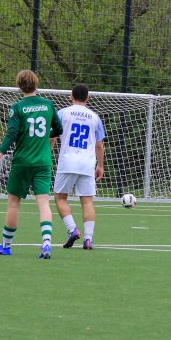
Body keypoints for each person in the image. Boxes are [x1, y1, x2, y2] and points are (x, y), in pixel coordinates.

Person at [0, 70, 63, 259]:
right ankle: (46, 243)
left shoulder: (17, 107)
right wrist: (44, 136)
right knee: (43, 203)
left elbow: (11, 134)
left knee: (14, 203)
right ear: (36, 84)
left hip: (22, 162)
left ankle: (6, 246)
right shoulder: (48, 104)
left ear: (19, 86)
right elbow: (58, 129)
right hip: (43, 162)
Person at [52, 84, 105, 250]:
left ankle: (72, 229)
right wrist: (100, 165)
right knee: (87, 201)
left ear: (71, 97)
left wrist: (47, 154)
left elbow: (52, 138)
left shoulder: (62, 113)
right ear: (88, 98)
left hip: (67, 162)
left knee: (60, 198)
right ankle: (88, 239)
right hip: (87, 164)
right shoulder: (94, 117)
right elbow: (99, 145)